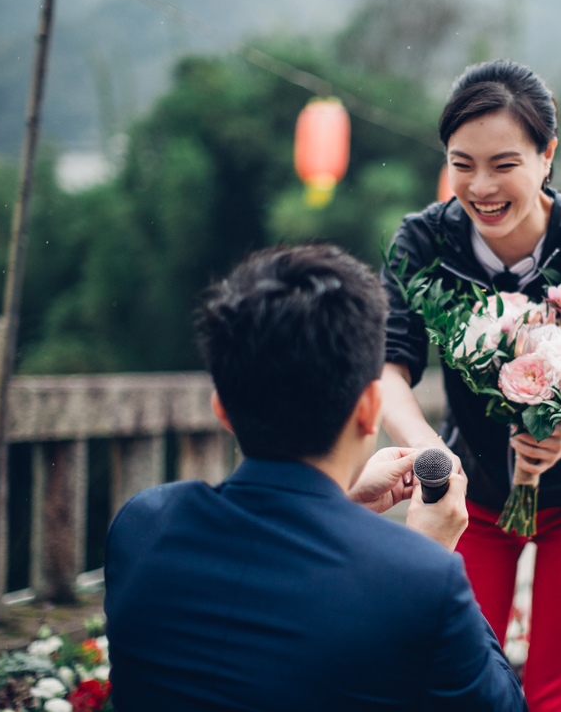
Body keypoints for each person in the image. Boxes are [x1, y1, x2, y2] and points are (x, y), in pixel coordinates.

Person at [104, 245, 526, 712]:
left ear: (222, 408)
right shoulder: (420, 576)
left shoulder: (142, 525)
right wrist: (429, 551)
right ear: (369, 410)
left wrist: (341, 503)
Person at [381, 60, 561, 712]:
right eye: (462, 163)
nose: (480, 187)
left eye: (503, 163)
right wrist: (433, 454)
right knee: (458, 680)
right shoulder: (424, 242)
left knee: (552, 693)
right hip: (474, 490)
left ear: (547, 156)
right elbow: (391, 369)